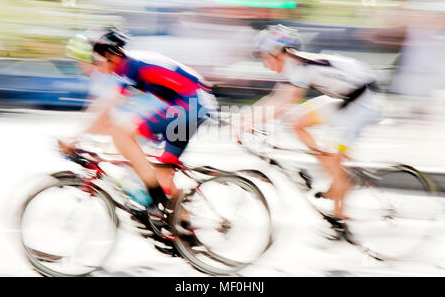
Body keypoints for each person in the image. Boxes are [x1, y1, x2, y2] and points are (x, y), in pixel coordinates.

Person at [61, 27, 217, 232]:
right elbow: (108, 109)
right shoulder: (125, 67)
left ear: (111, 55)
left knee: (122, 134)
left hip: (191, 105)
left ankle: (155, 199)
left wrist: (75, 138)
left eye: (98, 61)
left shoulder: (130, 67)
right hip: (188, 105)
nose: (96, 67)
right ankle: (185, 229)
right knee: (162, 176)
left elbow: (107, 105)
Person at [236, 24, 381, 220]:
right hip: (348, 98)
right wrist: (244, 119)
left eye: (264, 57)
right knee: (296, 122)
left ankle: (340, 211)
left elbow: (282, 103)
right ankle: (333, 169)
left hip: (363, 102)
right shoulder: (293, 65)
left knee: (335, 163)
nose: (265, 64)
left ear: (276, 52)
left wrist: (244, 124)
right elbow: (274, 99)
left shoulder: (298, 67)